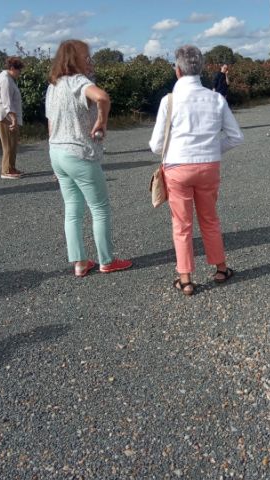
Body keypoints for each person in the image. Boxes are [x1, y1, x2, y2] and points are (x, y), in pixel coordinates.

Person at [149, 45, 244, 296]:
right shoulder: (216, 99)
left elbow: (156, 145)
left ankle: (186, 279)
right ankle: (221, 268)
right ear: (201, 69)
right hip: (209, 166)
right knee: (210, 219)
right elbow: (236, 137)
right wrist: (213, 149)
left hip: (177, 167)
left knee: (182, 224)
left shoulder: (169, 101)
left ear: (178, 70)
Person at [45, 39, 132, 277]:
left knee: (72, 209)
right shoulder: (78, 81)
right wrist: (101, 121)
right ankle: (107, 260)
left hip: (57, 151)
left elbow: (50, 124)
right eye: (86, 56)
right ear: (76, 59)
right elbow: (102, 97)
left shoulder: (53, 86)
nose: (89, 61)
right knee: (100, 208)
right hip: (79, 153)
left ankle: (80, 263)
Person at [0, 56, 25, 179]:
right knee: (8, 143)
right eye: (19, 70)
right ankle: (6, 171)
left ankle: (11, 167)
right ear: (12, 68)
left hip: (6, 114)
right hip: (4, 115)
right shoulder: (5, 80)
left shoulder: (8, 78)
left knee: (13, 142)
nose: (20, 73)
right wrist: (13, 119)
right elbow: (7, 102)